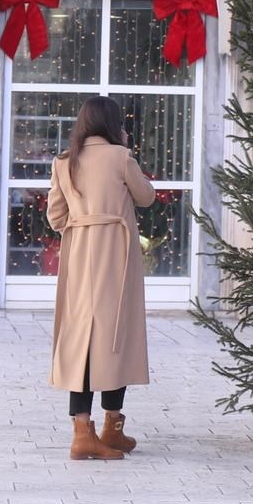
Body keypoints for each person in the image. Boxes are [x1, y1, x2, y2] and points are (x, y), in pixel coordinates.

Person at [48, 95, 157, 460]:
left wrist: (83, 222)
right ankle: (112, 427)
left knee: (81, 338)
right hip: (116, 254)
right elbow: (146, 198)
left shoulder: (65, 162)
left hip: (79, 254)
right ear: (113, 125)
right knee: (116, 335)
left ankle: (83, 431)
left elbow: (55, 217)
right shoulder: (120, 157)